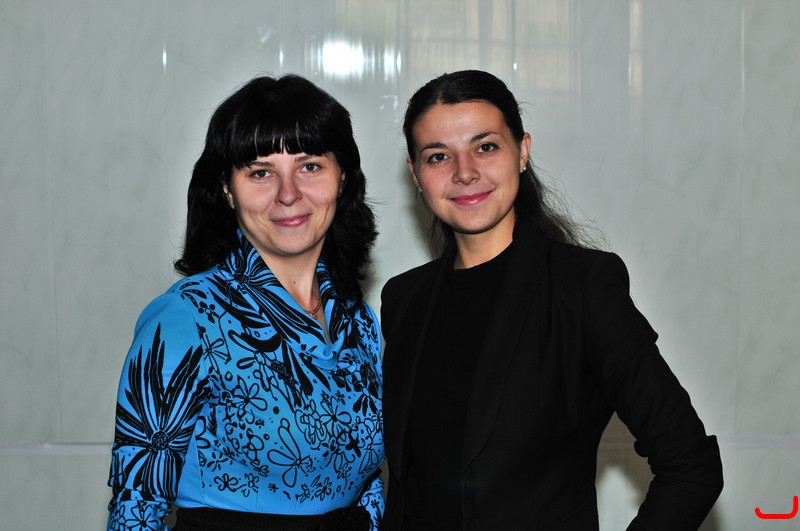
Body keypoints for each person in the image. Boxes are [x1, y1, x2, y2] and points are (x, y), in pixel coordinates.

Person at [379, 70, 723, 530]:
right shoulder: (404, 299)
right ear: (415, 174)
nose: (465, 172)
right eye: (438, 156)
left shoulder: (582, 288)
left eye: (486, 147)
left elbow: (692, 465)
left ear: (522, 151)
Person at [107, 74, 384, 531]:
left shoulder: (358, 320)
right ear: (226, 189)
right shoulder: (185, 319)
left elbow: (366, 483)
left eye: (310, 166)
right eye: (260, 173)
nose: (288, 193)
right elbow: (136, 511)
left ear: (342, 177)